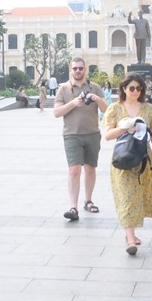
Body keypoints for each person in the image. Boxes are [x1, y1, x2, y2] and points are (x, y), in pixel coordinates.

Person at [102, 73, 152, 255]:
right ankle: (130, 238)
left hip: (144, 158)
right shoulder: (114, 109)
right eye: (132, 88)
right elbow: (107, 135)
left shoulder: (148, 109)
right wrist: (124, 128)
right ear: (124, 88)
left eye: (139, 88)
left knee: (139, 195)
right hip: (123, 158)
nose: (135, 92)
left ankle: (131, 233)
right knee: (126, 197)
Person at [53, 57, 107, 220]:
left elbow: (107, 110)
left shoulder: (95, 87)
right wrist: (74, 103)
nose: (78, 71)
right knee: (74, 170)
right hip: (72, 135)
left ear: (85, 70)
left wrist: (97, 99)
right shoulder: (63, 89)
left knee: (90, 168)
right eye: (75, 68)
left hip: (92, 133)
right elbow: (56, 112)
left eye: (80, 68)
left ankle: (88, 201)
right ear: (70, 70)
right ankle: (73, 207)